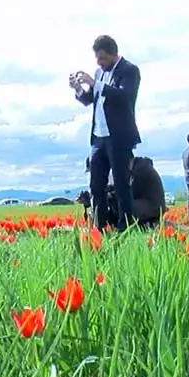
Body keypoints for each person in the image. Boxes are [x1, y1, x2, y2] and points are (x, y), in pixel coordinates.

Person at [71, 34, 141, 231]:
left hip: (119, 137)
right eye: (97, 59)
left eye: (102, 58)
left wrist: (95, 83)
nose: (99, 63)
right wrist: (78, 89)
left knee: (121, 184)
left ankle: (125, 227)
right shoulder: (99, 73)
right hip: (98, 138)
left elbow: (123, 96)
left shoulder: (130, 70)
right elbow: (89, 100)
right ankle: (98, 228)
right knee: (96, 185)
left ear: (113, 54)